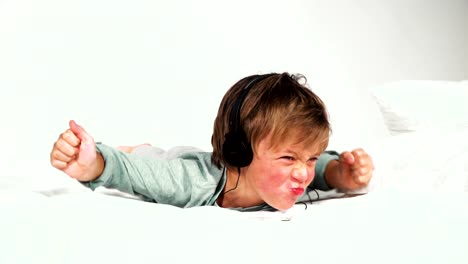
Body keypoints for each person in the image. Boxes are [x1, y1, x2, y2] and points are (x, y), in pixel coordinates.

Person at [50, 72, 374, 211]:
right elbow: (132, 174)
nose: (303, 174)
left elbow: (321, 171)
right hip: (177, 163)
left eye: (310, 158)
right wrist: (93, 162)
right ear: (241, 151)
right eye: (289, 159)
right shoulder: (190, 183)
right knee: (153, 158)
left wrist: (340, 173)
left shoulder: (288, 178)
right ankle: (141, 146)